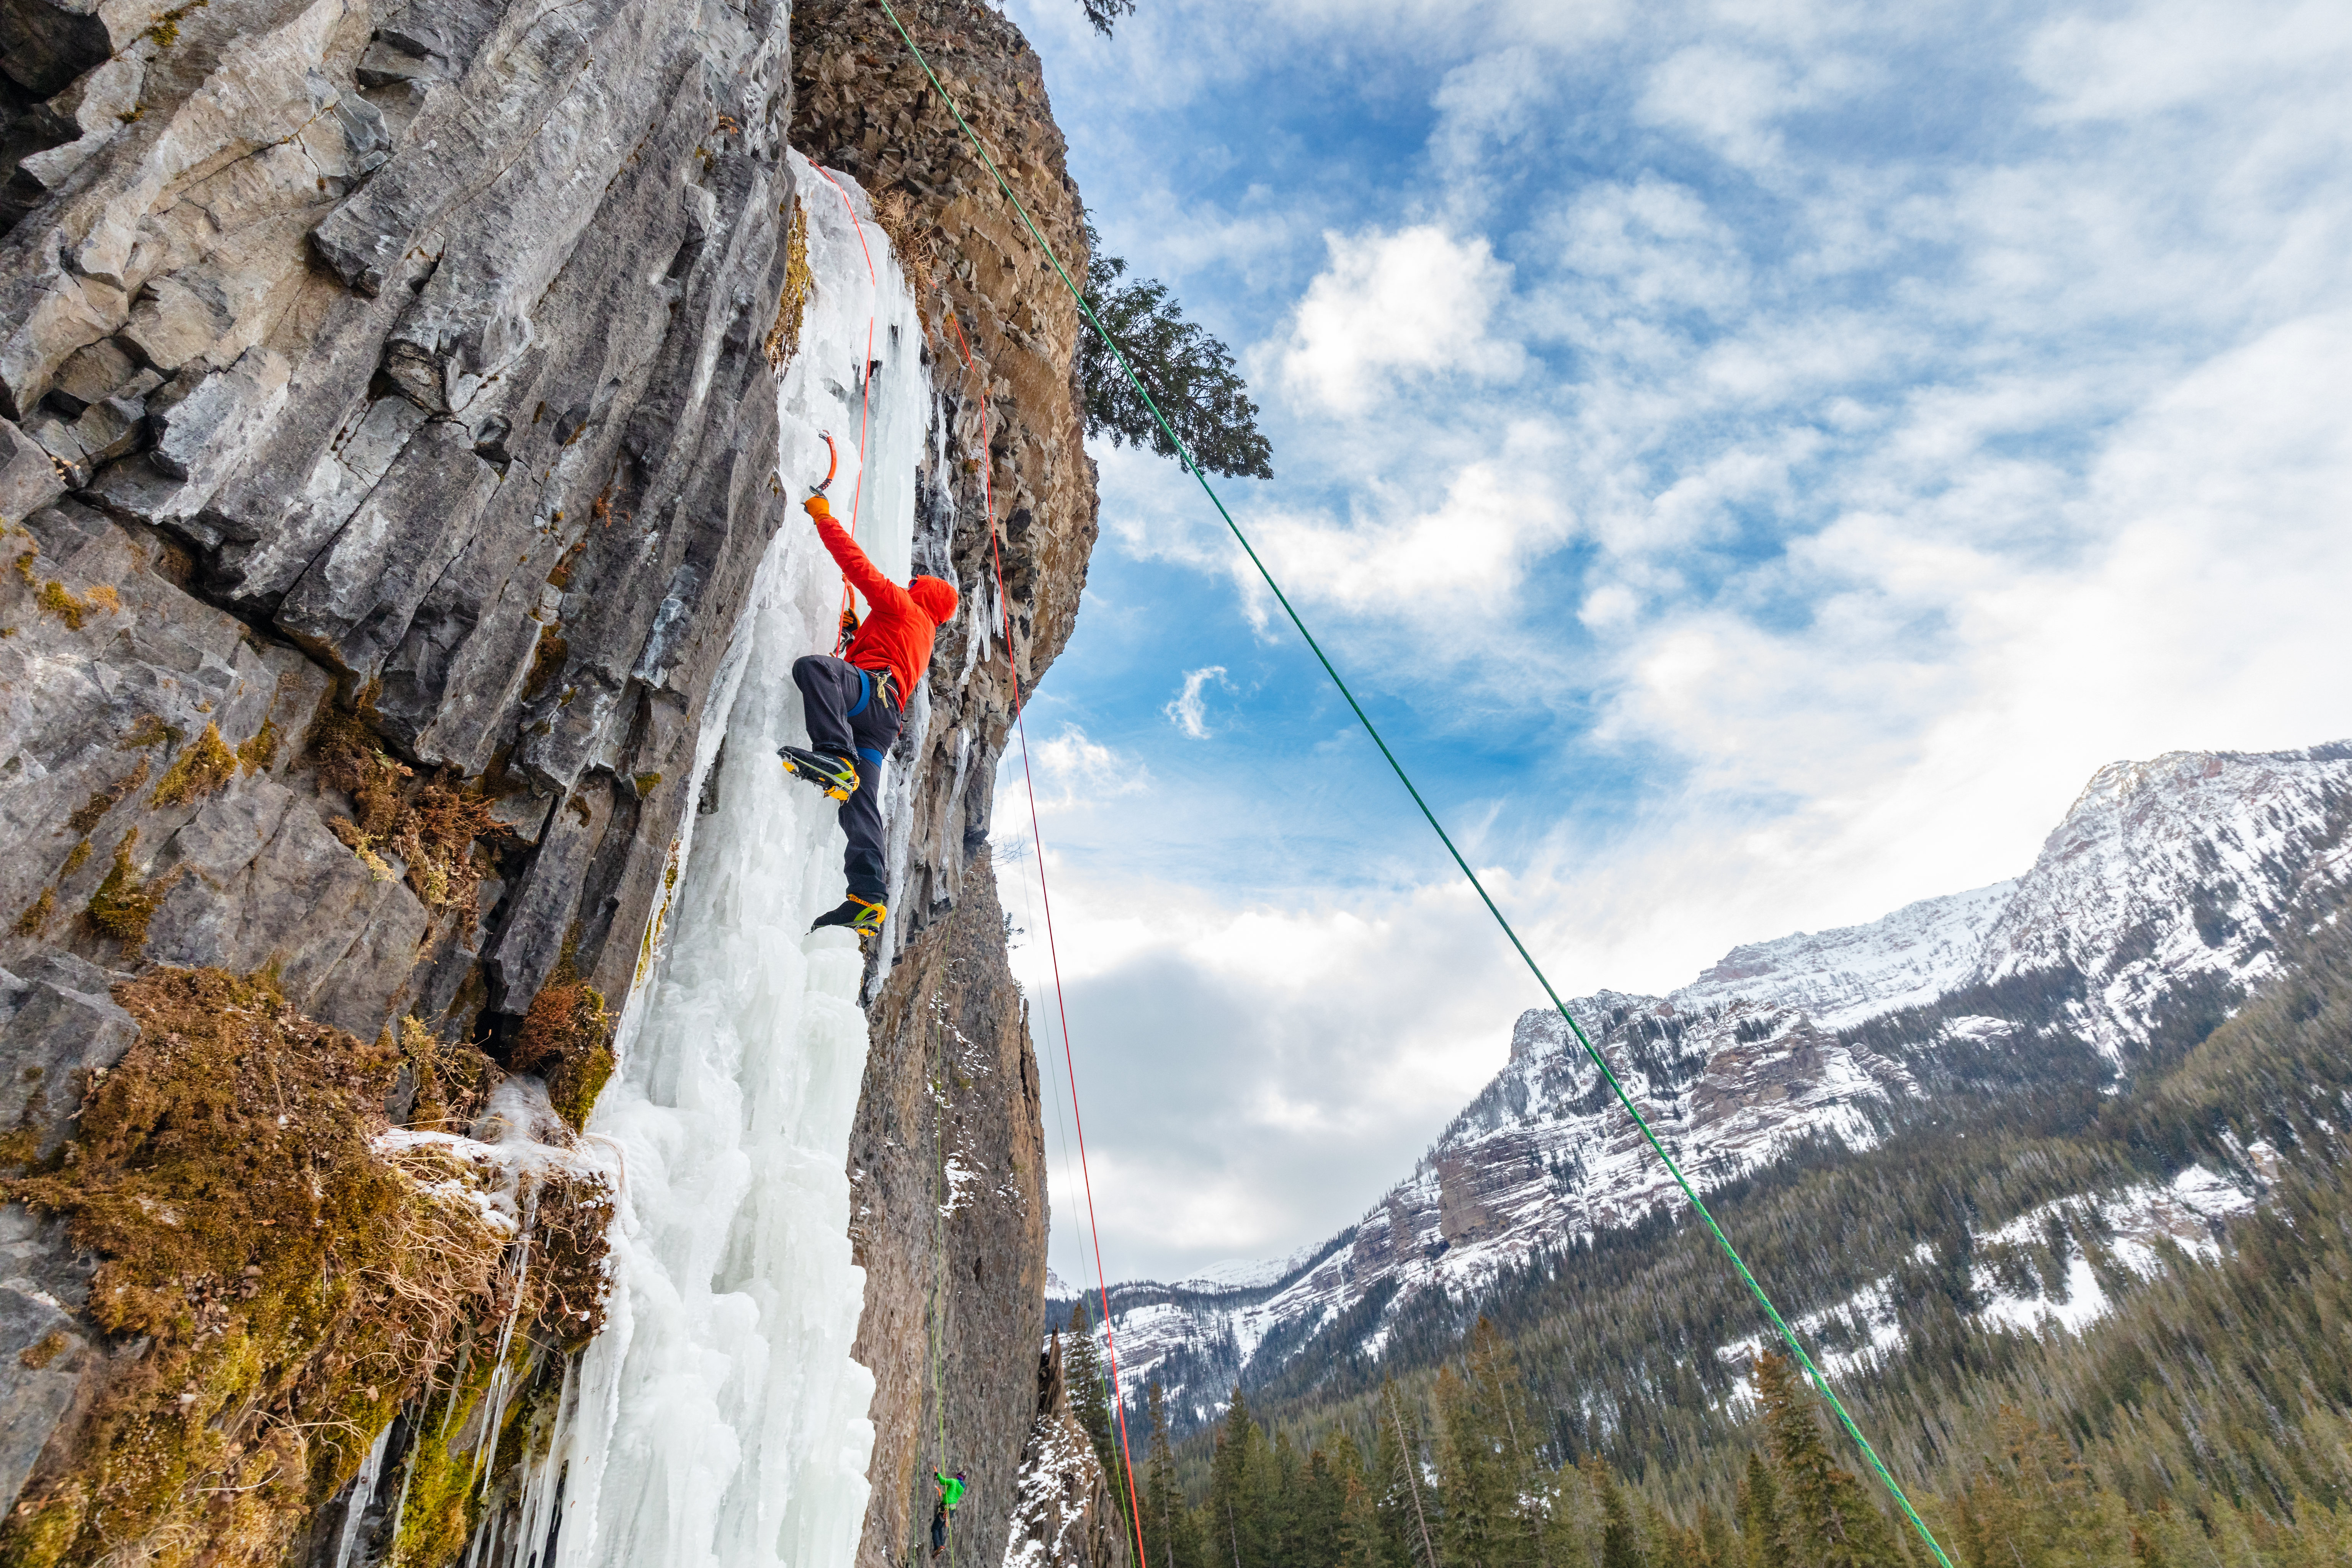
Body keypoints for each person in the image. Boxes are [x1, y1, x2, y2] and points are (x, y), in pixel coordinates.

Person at [778, 493, 960, 939]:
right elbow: (884, 654)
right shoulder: (924, 634)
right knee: (863, 804)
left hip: (869, 700)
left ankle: (835, 755)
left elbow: (858, 567)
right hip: (882, 722)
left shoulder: (904, 606)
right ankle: (868, 896)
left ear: (923, 594)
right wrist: (858, 636)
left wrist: (824, 518)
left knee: (815, 669)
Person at [930, 1470, 968, 1557]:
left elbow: (943, 1481)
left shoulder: (953, 1481)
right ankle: (941, 1546)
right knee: (940, 1528)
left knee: (935, 1528)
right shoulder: (961, 1488)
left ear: (957, 1475)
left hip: (946, 1509)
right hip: (951, 1511)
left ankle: (938, 1547)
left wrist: (938, 1474)